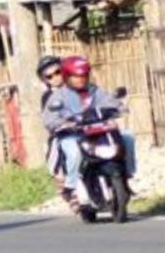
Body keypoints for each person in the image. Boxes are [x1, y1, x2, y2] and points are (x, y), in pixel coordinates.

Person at [42, 55, 137, 209]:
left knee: (128, 137)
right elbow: (49, 119)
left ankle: (128, 172)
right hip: (73, 134)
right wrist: (64, 123)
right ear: (67, 76)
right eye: (75, 76)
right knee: (73, 152)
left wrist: (119, 108)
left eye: (83, 75)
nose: (80, 79)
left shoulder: (95, 91)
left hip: (99, 132)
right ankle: (71, 187)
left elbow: (111, 102)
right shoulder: (57, 96)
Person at [36, 55, 70, 201]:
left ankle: (123, 178)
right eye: (49, 76)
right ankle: (62, 182)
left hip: (88, 126)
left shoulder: (80, 85)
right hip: (65, 132)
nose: (55, 77)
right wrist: (61, 123)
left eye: (58, 72)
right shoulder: (47, 97)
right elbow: (48, 119)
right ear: (45, 80)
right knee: (55, 147)